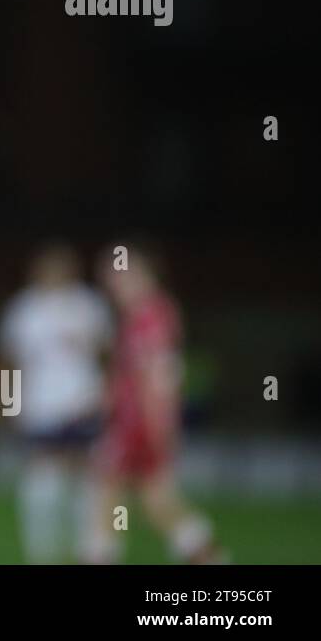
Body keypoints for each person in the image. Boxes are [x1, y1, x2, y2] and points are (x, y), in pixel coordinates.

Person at [84, 239, 226, 564]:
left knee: (112, 492)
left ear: (141, 273)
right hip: (134, 421)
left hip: (138, 425)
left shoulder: (152, 316)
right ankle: (209, 558)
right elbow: (132, 376)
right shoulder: (140, 315)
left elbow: (160, 377)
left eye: (117, 272)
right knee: (153, 499)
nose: (111, 282)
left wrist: (159, 424)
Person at [0, 241, 111, 563]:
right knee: (42, 473)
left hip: (83, 402)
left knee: (86, 475)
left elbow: (108, 355)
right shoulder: (23, 309)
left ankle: (89, 549)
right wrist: (8, 403)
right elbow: (8, 361)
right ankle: (43, 550)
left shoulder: (89, 305)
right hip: (40, 405)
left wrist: (107, 395)